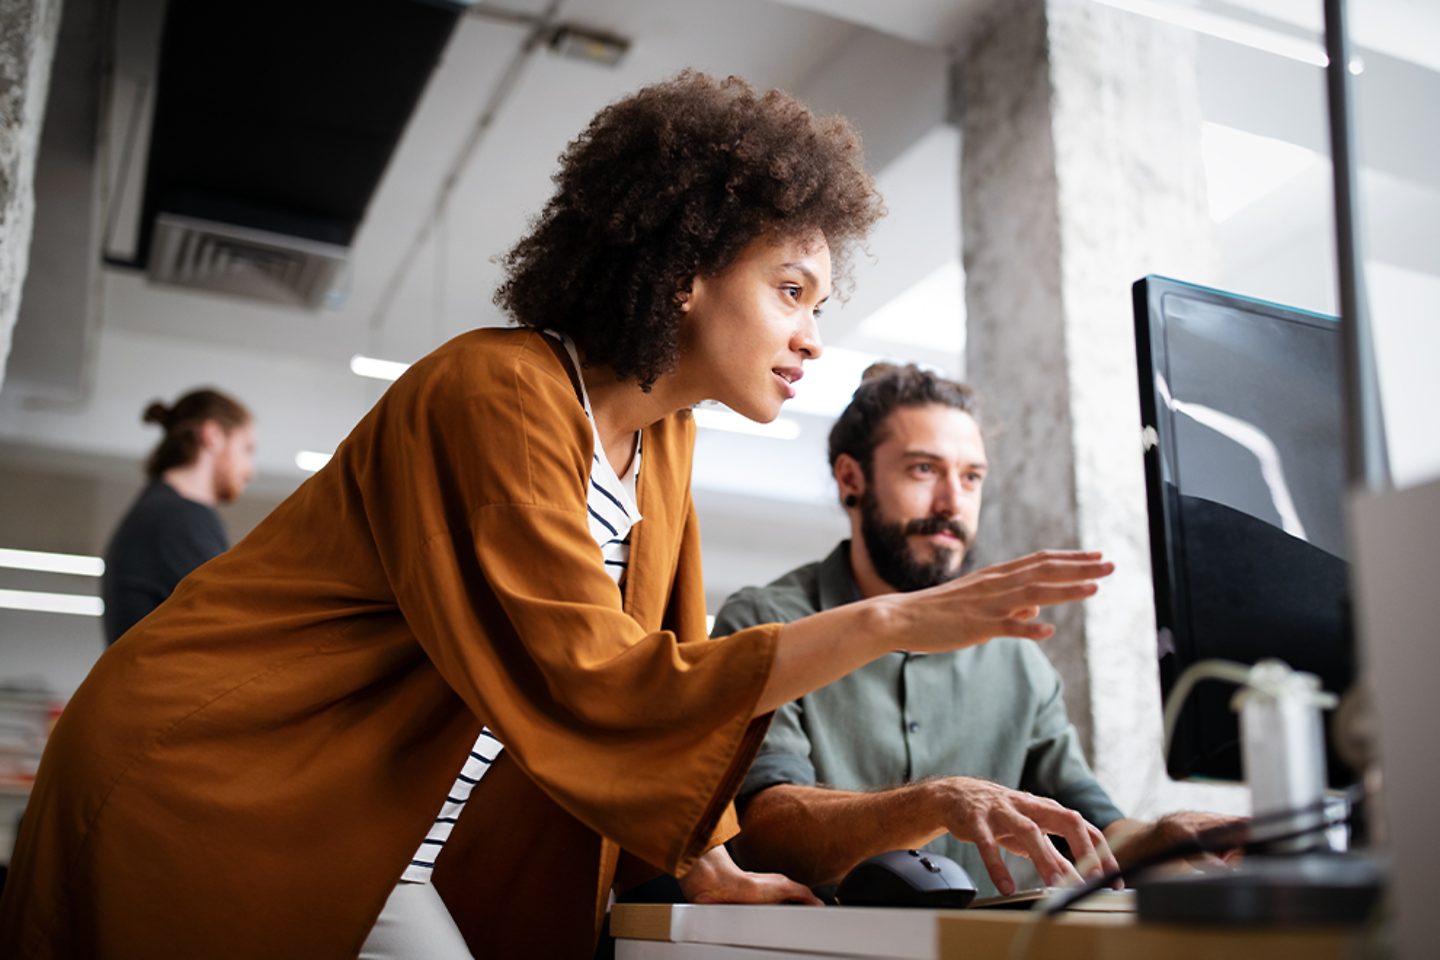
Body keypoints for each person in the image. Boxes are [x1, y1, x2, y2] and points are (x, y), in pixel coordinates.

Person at [0, 73, 1114, 960]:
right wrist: (889, 625)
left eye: (820, 305)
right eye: (790, 291)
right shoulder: (495, 391)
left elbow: (662, 672)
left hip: (381, 831)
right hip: (223, 777)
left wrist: (710, 859)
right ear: (683, 271)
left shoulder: (661, 439)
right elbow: (597, 681)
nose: (813, 336)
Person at [716, 363, 1238, 899]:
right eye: (924, 470)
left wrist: (1165, 838)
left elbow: (1093, 827)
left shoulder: (1016, 654)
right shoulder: (766, 623)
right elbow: (765, 832)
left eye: (971, 477)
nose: (952, 504)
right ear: (852, 479)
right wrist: (934, 802)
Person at [100, 388, 257, 645]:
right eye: (246, 449)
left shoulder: (161, 510)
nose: (251, 471)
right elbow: (232, 628)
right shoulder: (179, 518)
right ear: (213, 435)